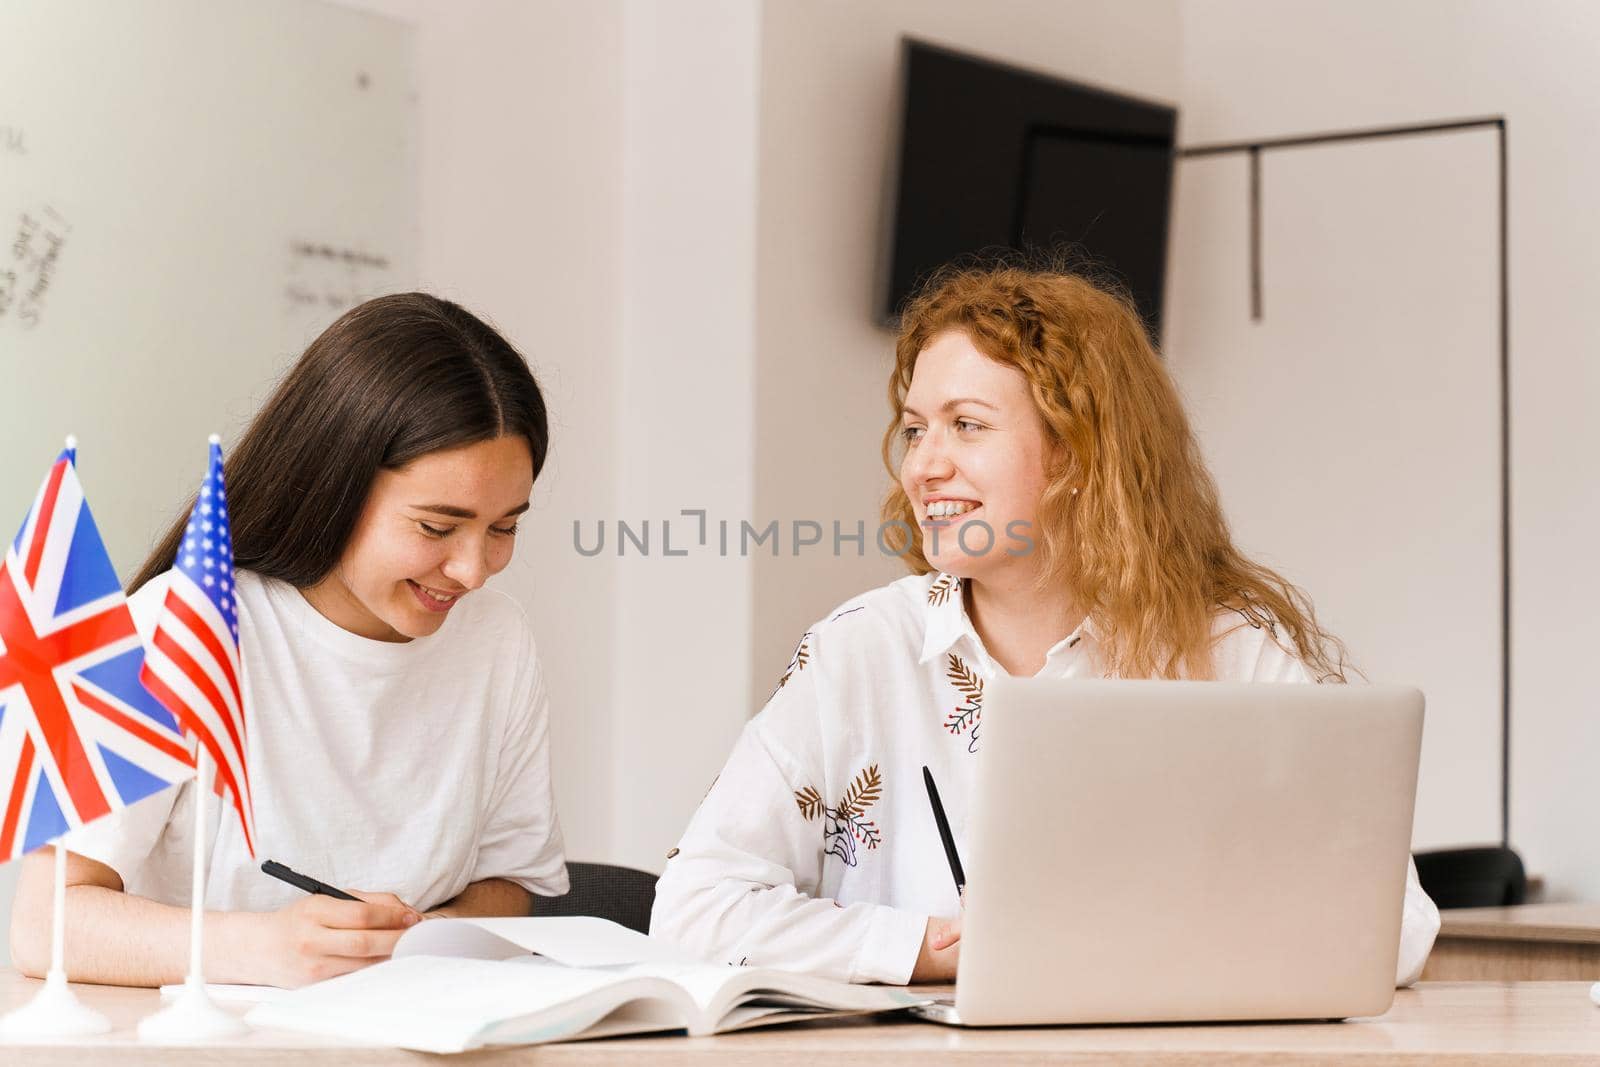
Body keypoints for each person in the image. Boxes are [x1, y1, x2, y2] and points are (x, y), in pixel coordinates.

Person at [649, 266, 1440, 985]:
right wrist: (923, 947)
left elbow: (1395, 925)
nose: (922, 465)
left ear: (1076, 452)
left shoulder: (1226, 653)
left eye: (967, 424)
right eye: (916, 427)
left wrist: (1153, 946)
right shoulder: (859, 650)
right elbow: (691, 910)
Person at [9, 293, 568, 988]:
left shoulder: (497, 642)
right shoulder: (184, 628)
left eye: (505, 527)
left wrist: (417, 940)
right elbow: (43, 923)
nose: (473, 569)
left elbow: (509, 881)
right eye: (435, 527)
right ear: (336, 484)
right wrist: (262, 947)